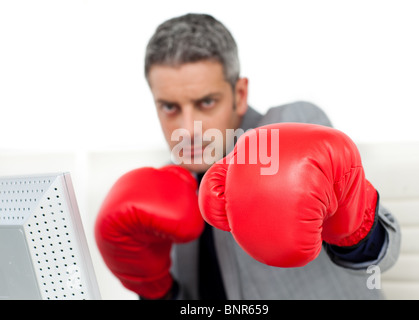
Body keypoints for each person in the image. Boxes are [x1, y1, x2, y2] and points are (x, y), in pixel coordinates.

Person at [95, 13, 401, 300]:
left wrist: (354, 221)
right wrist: (155, 288)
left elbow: (382, 256)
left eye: (206, 102)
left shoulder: (286, 127)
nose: (188, 130)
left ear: (239, 95)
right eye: (170, 107)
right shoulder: (164, 190)